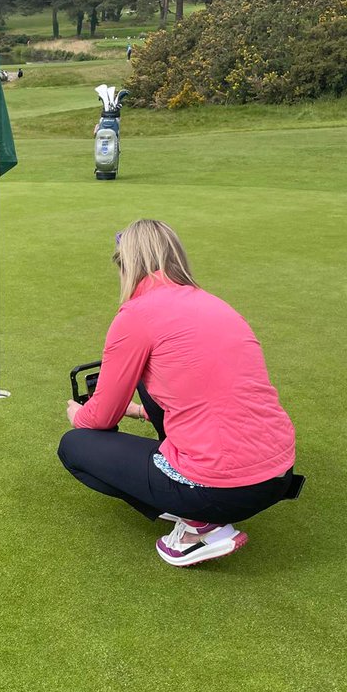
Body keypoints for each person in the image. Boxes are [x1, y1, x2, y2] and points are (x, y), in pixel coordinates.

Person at [57, 220, 297, 567]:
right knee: (146, 377)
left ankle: (201, 526)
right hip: (278, 475)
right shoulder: (216, 304)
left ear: (127, 266)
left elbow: (100, 416)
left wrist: (78, 415)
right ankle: (196, 502)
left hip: (221, 487)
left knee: (74, 446)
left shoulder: (136, 315)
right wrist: (140, 412)